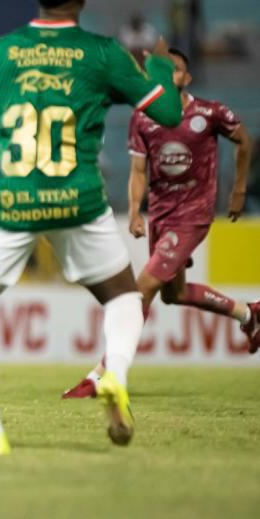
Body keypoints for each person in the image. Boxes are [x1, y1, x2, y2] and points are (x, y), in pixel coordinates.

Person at [0, 0, 183, 455]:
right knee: (122, 298)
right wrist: (161, 66)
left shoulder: (1, 51)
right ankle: (115, 374)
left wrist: (4, 134)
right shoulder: (103, 53)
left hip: (9, 203)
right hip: (78, 201)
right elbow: (167, 115)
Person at [63, 48, 258, 398]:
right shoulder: (142, 118)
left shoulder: (209, 112)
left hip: (193, 214)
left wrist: (239, 189)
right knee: (174, 294)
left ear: (187, 78)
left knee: (141, 289)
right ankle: (250, 314)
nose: (168, 75)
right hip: (161, 214)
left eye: (176, 70)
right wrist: (134, 212)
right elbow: (138, 171)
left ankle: (101, 374)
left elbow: (244, 139)